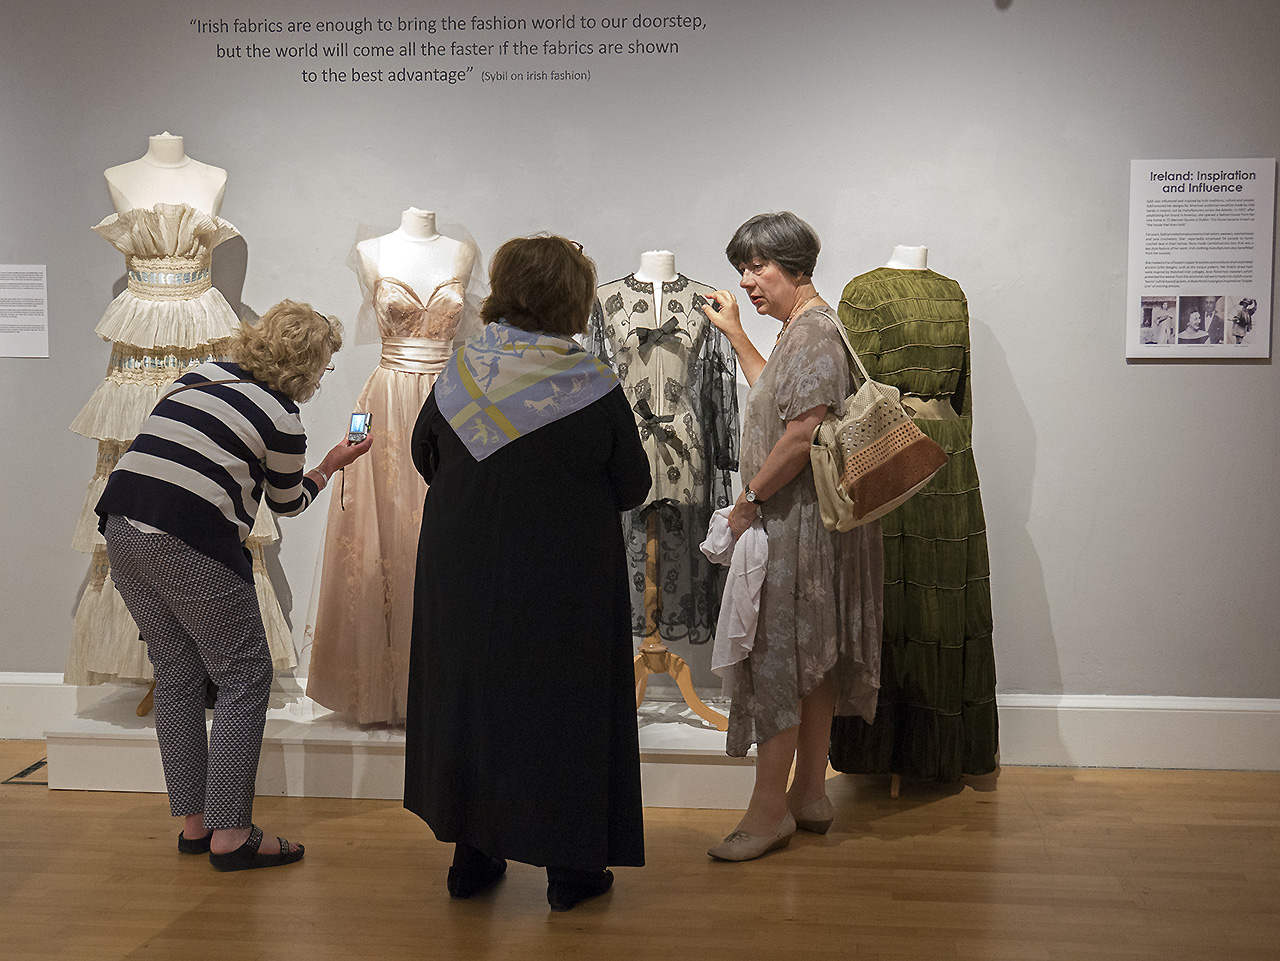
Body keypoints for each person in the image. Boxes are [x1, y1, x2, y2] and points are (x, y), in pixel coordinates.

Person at [404, 235, 651, 911]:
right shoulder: (589, 381)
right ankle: (572, 869)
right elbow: (632, 483)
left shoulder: (461, 369)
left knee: (474, 701)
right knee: (561, 709)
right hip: (561, 580)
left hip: (462, 572)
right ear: (573, 298)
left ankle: (472, 855)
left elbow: (425, 454)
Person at [96, 300, 371, 870]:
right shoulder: (281, 415)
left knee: (178, 672)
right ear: (311, 365)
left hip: (122, 523)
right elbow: (288, 502)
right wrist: (330, 464)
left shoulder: (199, 376)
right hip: (186, 537)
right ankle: (232, 833)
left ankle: (196, 824)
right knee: (244, 674)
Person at [698, 212, 883, 861]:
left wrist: (747, 502)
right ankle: (808, 794)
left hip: (795, 525)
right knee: (810, 660)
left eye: (758, 266)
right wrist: (738, 335)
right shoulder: (802, 331)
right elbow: (772, 400)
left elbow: (800, 436)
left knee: (777, 660)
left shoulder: (813, 336)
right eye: (742, 267)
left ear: (795, 265)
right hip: (806, 523)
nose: (747, 280)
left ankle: (768, 812)